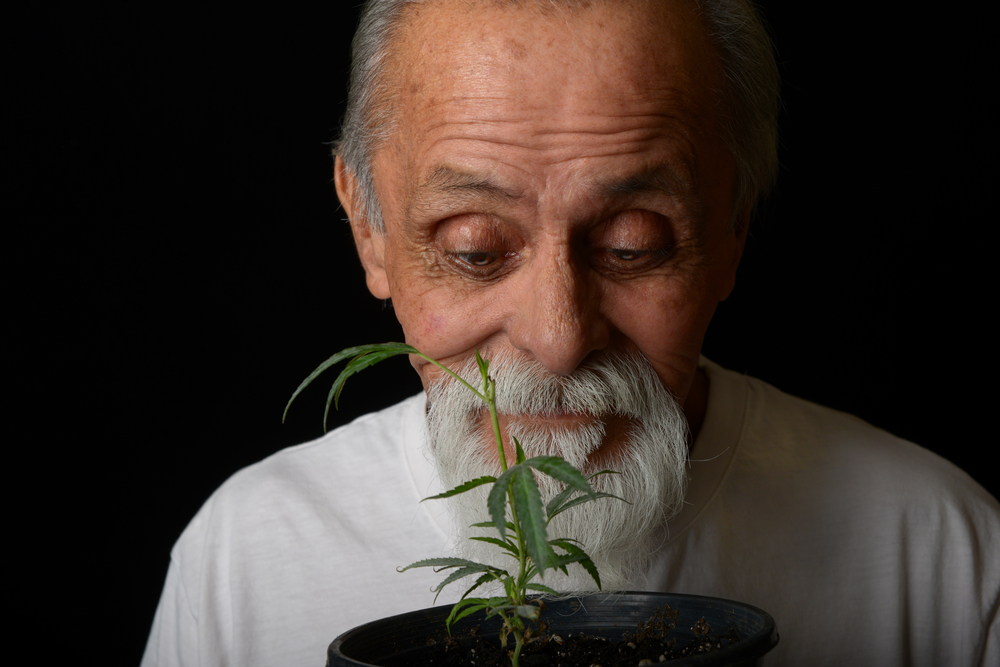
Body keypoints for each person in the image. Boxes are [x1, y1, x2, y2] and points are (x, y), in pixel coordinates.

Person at [141, 1, 1000, 665]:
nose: (558, 337)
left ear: (734, 226)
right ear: (368, 228)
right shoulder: (245, 561)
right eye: (475, 249)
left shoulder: (939, 548)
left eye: (633, 245)